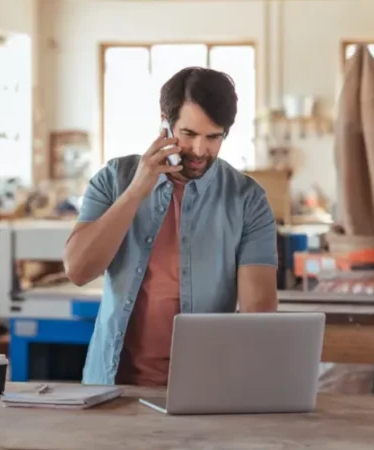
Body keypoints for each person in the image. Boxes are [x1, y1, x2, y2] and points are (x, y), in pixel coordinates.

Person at [64, 67, 279, 387]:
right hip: (111, 387)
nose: (200, 150)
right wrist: (138, 189)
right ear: (165, 122)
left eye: (213, 137)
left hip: (204, 390)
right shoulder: (114, 179)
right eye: (189, 134)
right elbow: (78, 270)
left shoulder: (247, 200)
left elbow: (257, 312)